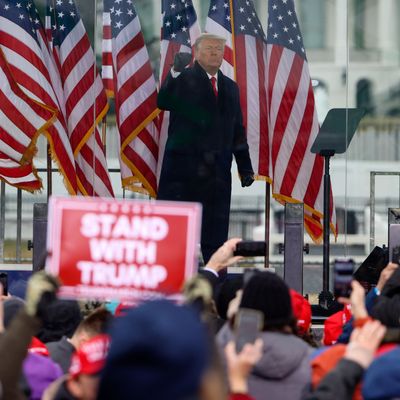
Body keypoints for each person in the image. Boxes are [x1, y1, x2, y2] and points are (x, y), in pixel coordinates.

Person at [157, 33, 254, 263]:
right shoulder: (184, 79)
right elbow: (164, 102)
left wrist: (245, 167)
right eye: (209, 48)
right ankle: (175, 289)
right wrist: (174, 72)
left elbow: (237, 130)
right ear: (197, 53)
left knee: (215, 239)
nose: (214, 53)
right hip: (184, 175)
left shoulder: (230, 87)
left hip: (217, 175)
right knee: (178, 236)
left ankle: (216, 287)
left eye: (219, 49)